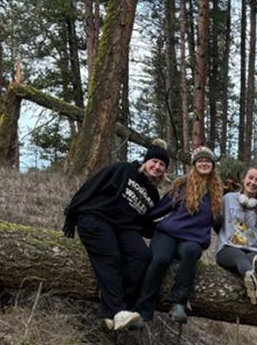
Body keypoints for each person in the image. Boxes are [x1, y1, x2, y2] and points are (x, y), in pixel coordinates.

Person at [62, 142, 169, 331]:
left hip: (123, 229)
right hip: (96, 218)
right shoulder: (124, 169)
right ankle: (117, 310)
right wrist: (72, 213)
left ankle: (115, 312)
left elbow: (143, 224)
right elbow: (92, 186)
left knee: (141, 256)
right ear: (146, 161)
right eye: (154, 161)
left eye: (162, 165)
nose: (157, 167)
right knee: (111, 256)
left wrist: (173, 230)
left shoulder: (153, 195)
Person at [135, 146, 223, 324]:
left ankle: (178, 303)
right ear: (194, 164)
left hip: (193, 240)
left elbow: (219, 223)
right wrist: (137, 221)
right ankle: (143, 311)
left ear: (213, 165)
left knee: (191, 252)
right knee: (160, 259)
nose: (204, 163)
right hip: (168, 233)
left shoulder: (218, 193)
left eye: (208, 161)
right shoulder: (182, 185)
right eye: (200, 160)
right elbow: (159, 209)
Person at [216, 166, 257, 304]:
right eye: (250, 178)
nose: (253, 182)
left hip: (255, 250)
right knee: (240, 258)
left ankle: (254, 277)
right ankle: (254, 275)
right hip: (228, 249)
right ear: (244, 179)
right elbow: (216, 222)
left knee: (253, 257)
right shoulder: (228, 199)